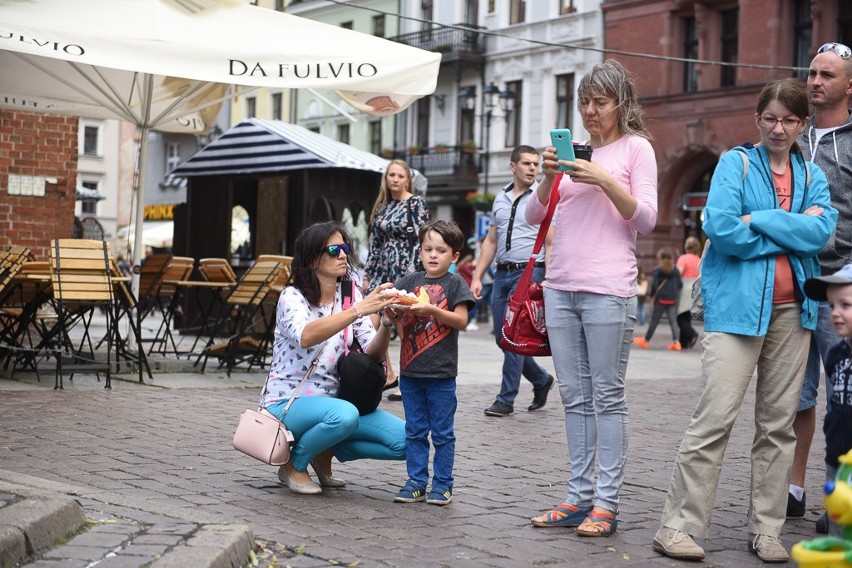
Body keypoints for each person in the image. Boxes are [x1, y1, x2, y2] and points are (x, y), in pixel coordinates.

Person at [652, 78, 836, 563]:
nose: (779, 127)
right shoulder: (734, 163)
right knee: (714, 419)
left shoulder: (811, 174)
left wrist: (761, 220)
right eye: (771, 117)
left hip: (795, 310)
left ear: (802, 124)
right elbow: (720, 227)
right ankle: (677, 526)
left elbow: (820, 232)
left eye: (790, 120)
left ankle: (767, 529)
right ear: (758, 118)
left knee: (778, 426)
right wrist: (787, 232)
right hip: (735, 311)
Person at [526, 59, 658, 537]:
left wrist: (603, 179)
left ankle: (607, 502)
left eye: (600, 102)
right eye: (585, 102)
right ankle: (578, 496)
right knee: (574, 396)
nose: (590, 111)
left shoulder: (636, 149)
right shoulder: (573, 154)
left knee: (607, 396)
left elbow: (645, 219)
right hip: (560, 285)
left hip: (608, 288)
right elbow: (530, 218)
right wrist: (547, 175)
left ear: (621, 103)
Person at [261, 221, 406, 495]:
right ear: (313, 258)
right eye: (333, 249)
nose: (342, 255)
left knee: (408, 442)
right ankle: (295, 464)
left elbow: (370, 352)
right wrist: (358, 311)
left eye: (345, 248)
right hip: (287, 402)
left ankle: (323, 448)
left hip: (335, 406)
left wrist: (386, 324)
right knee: (345, 415)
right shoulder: (293, 297)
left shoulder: (350, 296)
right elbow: (306, 336)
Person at [788, 41, 852, 529]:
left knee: (844, 396)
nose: (815, 81)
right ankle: (791, 488)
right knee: (792, 394)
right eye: (812, 72)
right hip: (792, 280)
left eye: (827, 75)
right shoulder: (790, 134)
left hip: (841, 283)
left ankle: (839, 502)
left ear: (849, 85)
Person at [386, 220, 475, 505]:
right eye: (428, 249)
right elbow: (394, 315)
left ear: (454, 256)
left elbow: (461, 320)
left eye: (441, 250)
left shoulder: (455, 283)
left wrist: (432, 310)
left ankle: (443, 485)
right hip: (411, 372)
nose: (433, 255)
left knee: (443, 433)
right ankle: (415, 482)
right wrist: (392, 311)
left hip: (441, 374)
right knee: (414, 430)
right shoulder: (410, 281)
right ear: (420, 251)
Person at [470, 145, 555, 418]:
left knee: (515, 337)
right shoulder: (500, 198)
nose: (533, 168)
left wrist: (549, 280)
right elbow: (491, 241)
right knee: (502, 338)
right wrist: (476, 275)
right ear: (513, 166)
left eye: (535, 163)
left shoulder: (543, 196)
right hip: (502, 273)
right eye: (527, 163)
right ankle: (541, 380)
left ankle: (506, 399)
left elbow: (551, 242)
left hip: (529, 272)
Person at [363, 159, 430, 401]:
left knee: (404, 327)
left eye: (400, 176)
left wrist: (418, 273)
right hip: (382, 271)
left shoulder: (416, 203)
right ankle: (389, 374)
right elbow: (375, 244)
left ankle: (409, 378)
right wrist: (367, 273)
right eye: (391, 175)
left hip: (406, 269)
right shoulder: (381, 206)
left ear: (407, 179)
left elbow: (425, 240)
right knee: (373, 321)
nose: (395, 179)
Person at [802, 263, 852, 538]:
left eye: (845, 305)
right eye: (832, 305)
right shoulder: (835, 356)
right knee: (838, 524)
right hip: (837, 458)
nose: (835, 313)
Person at [633, 247, 682, 350]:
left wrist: (651, 296)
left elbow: (655, 285)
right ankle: (676, 343)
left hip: (660, 300)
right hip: (672, 300)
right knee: (673, 321)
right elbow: (680, 284)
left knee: (654, 321)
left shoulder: (658, 270)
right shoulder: (675, 270)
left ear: (661, 257)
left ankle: (645, 341)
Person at [676, 236, 701, 349]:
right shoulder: (699, 259)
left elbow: (678, 273)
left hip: (685, 288)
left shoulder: (683, 258)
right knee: (686, 316)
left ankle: (692, 333)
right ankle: (684, 343)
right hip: (696, 289)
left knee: (680, 317)